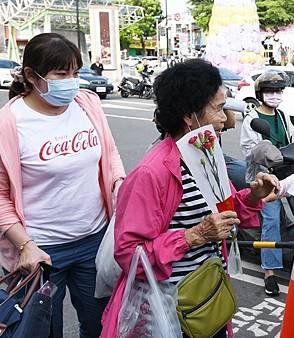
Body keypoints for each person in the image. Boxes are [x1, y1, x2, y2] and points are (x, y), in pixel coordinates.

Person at [100, 59, 279, 338]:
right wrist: (193, 236)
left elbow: (226, 211)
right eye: (219, 109)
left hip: (207, 299)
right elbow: (128, 254)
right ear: (188, 114)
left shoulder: (206, 152)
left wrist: (254, 195)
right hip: (169, 312)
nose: (225, 119)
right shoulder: (151, 173)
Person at [0, 32, 125, 337]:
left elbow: (109, 155)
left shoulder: (88, 102)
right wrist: (26, 246)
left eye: (75, 73)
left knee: (101, 324)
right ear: (32, 75)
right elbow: (1, 196)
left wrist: (120, 186)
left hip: (95, 242)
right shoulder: (9, 122)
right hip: (39, 253)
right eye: (61, 74)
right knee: (42, 330)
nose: (71, 81)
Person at [240, 69, 294, 296]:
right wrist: (264, 152)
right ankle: (270, 272)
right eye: (270, 91)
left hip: (287, 171)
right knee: (272, 220)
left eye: (278, 91)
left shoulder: (283, 116)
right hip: (264, 177)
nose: (275, 95)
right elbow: (249, 151)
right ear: (261, 93)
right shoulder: (252, 120)